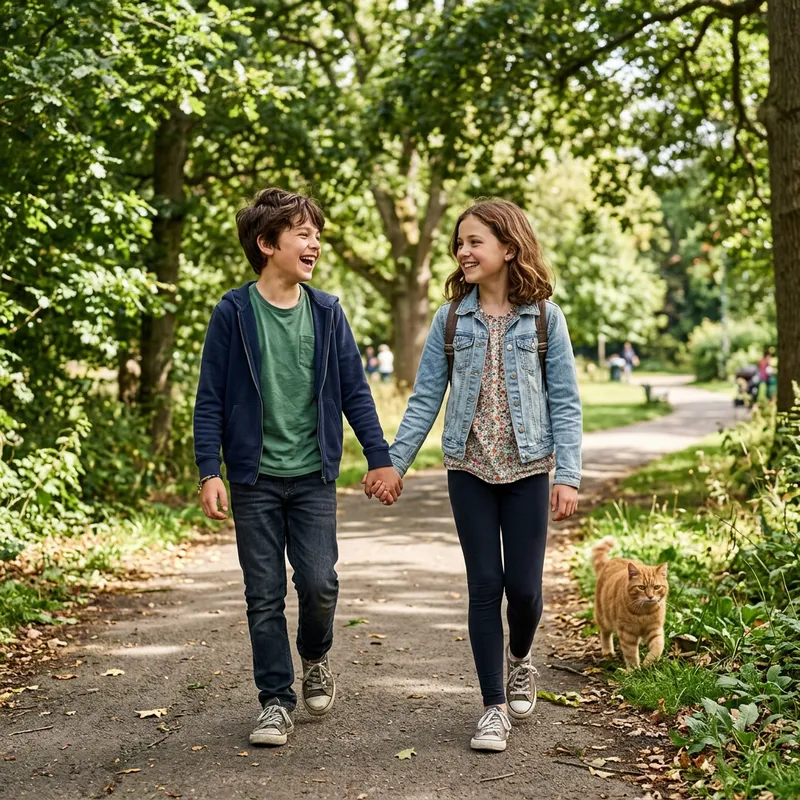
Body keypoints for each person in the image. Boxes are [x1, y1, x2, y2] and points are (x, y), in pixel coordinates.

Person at [368, 198, 582, 753]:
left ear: (508, 248)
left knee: (525, 592)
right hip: (468, 467)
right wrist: (395, 462)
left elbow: (565, 402)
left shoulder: (544, 319)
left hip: (530, 468)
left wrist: (570, 475)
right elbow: (424, 400)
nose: (463, 251)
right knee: (485, 585)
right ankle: (492, 708)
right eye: (459, 244)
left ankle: (520, 658)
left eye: (474, 242)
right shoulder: (450, 319)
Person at [193, 187, 402, 748]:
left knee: (318, 584)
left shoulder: (327, 312)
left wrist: (379, 458)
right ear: (267, 244)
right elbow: (209, 396)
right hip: (253, 479)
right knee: (262, 594)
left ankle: (315, 655)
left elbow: (355, 392)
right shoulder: (233, 313)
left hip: (312, 476)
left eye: (317, 234)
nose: (314, 243)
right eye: (302, 233)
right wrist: (208, 470)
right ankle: (275, 702)